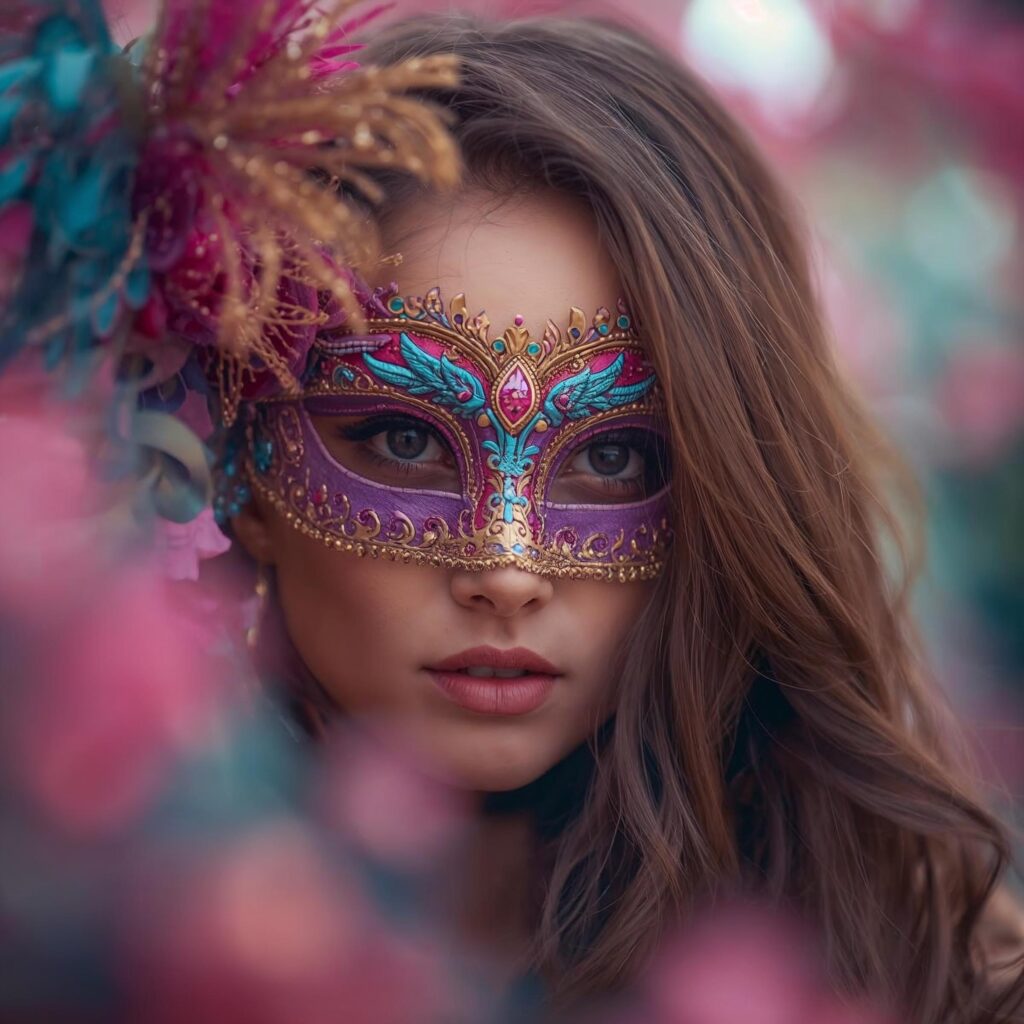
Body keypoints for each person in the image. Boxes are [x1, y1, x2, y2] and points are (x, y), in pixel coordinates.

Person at [219, 12, 1024, 1022]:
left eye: (612, 455)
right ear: (245, 454)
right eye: (404, 436)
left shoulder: (929, 974)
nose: (507, 572)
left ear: (727, 490)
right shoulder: (70, 912)